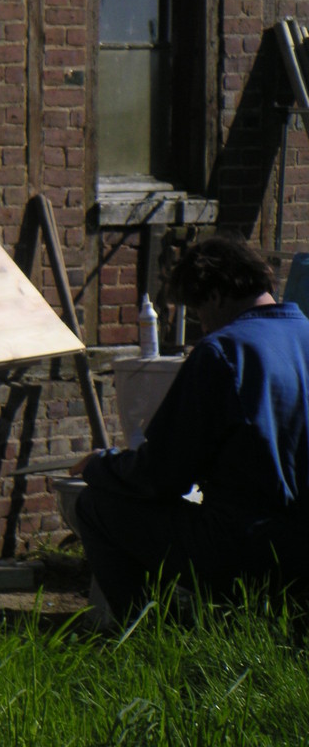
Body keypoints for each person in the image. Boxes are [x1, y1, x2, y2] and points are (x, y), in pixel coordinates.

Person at [71, 236, 309, 623]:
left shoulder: (223, 351)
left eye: (198, 311)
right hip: (302, 551)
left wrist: (102, 464)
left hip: (252, 550)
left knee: (96, 506)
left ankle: (154, 636)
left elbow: (161, 477)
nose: (203, 324)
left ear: (215, 295)